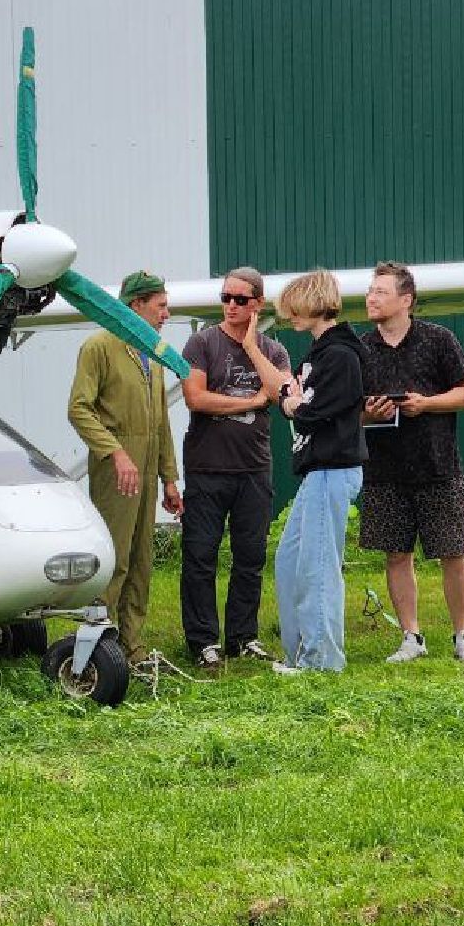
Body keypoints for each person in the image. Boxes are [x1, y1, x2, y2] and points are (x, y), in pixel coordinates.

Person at [356, 261, 464, 664]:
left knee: (453, 552)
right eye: (370, 291)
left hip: (438, 465)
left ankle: (462, 636)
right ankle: (411, 637)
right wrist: (368, 413)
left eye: (380, 291)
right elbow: (347, 411)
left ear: (405, 299)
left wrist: (426, 404)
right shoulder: (360, 348)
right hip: (383, 470)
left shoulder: (438, 340)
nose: (371, 298)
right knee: (396, 554)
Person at [240, 270, 367, 673]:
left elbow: (309, 410)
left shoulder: (341, 356)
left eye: (295, 308)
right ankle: (302, 653)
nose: (291, 317)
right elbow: (291, 395)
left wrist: (295, 406)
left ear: (313, 304)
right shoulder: (321, 353)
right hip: (318, 471)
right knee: (291, 559)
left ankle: (321, 660)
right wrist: (257, 354)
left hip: (332, 469)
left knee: (318, 568)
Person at [67, 269, 185, 667]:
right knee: (114, 556)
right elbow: (79, 409)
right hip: (117, 465)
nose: (166, 314)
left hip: (148, 464)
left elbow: (161, 420)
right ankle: (99, 644)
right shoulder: (98, 346)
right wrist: (115, 453)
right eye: (161, 306)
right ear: (136, 305)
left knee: (141, 557)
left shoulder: (153, 353)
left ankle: (132, 646)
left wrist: (170, 477)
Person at [179, 266, 290, 671]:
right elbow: (196, 398)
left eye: (240, 300)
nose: (230, 306)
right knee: (200, 556)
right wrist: (249, 402)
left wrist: (253, 347)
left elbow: (282, 394)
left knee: (250, 557)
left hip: (254, 469)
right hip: (207, 468)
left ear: (257, 304)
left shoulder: (274, 350)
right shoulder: (201, 343)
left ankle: (243, 636)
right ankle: (203, 640)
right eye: (225, 298)